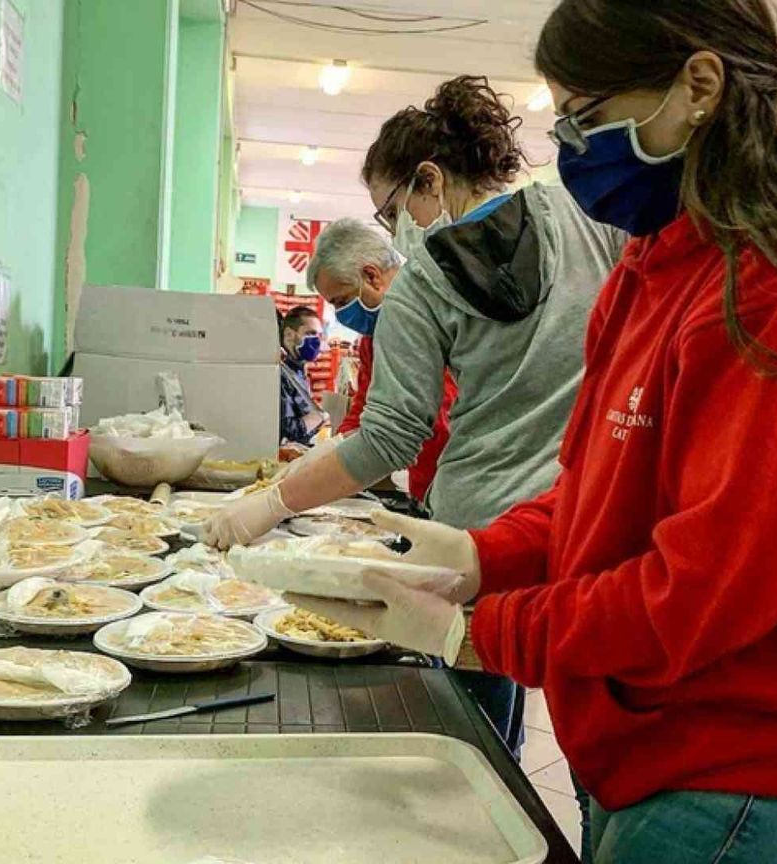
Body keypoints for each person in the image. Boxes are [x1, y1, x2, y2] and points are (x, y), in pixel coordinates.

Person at [288, 0, 777, 861]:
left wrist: (479, 631)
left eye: (587, 118)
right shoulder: (656, 260)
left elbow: (702, 593)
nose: (570, 149)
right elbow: (600, 491)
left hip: (750, 758)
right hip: (646, 731)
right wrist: (480, 557)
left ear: (699, 87)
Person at [207, 75, 628, 754]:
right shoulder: (585, 220)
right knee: (600, 735)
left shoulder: (422, 282)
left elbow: (389, 437)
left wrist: (274, 502)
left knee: (479, 733)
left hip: (476, 538)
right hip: (583, 518)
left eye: (389, 209)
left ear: (430, 180)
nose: (391, 228)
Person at [307, 218, 457, 505]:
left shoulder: (428, 316)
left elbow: (438, 420)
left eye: (341, 301)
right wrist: (334, 451)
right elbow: (364, 406)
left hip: (456, 483)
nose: (340, 314)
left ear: (371, 276)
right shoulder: (373, 338)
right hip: (422, 485)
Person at [276, 306, 328, 447]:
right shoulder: (280, 374)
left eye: (319, 335)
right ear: (288, 335)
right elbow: (288, 433)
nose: (316, 341)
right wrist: (320, 416)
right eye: (310, 333)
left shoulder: (299, 371)